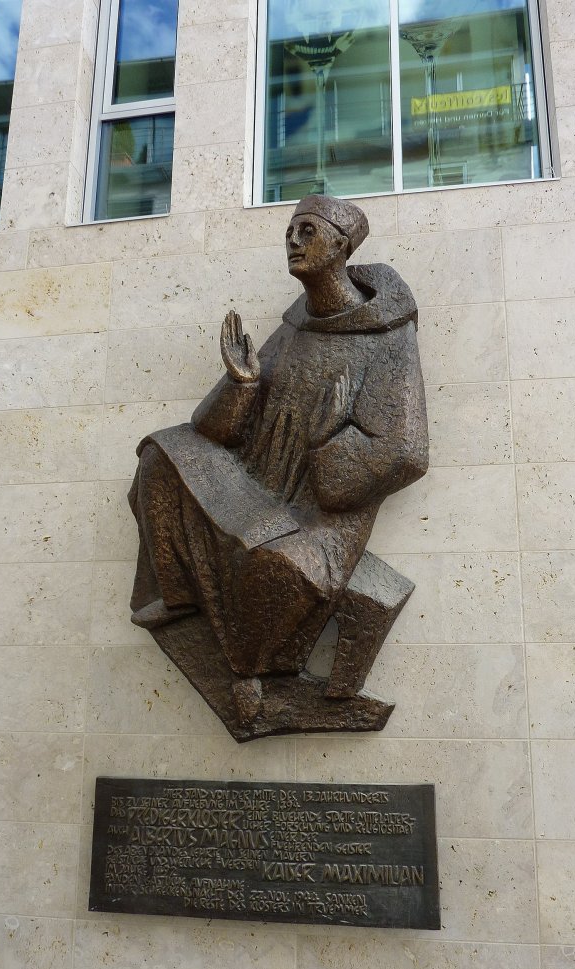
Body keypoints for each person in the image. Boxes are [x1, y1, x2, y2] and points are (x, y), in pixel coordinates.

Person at [128, 195, 428, 725]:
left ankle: (254, 678)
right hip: (259, 487)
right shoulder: (294, 328)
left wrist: (327, 442)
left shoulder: (386, 337)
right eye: (290, 230)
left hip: (321, 517)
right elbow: (216, 432)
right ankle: (179, 598)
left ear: (341, 244)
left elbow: (406, 453)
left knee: (280, 565)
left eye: (307, 231)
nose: (292, 240)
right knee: (159, 456)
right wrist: (241, 384)